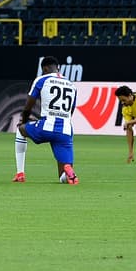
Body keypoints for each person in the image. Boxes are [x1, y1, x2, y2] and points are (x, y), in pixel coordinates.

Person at [13, 56, 79, 184]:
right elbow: (70, 112)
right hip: (65, 131)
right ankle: (68, 171)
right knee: (63, 178)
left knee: (20, 130)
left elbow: (29, 105)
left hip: (46, 126)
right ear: (58, 68)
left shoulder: (42, 80)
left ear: (45, 68)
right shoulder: (72, 85)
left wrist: (24, 121)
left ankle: (20, 174)